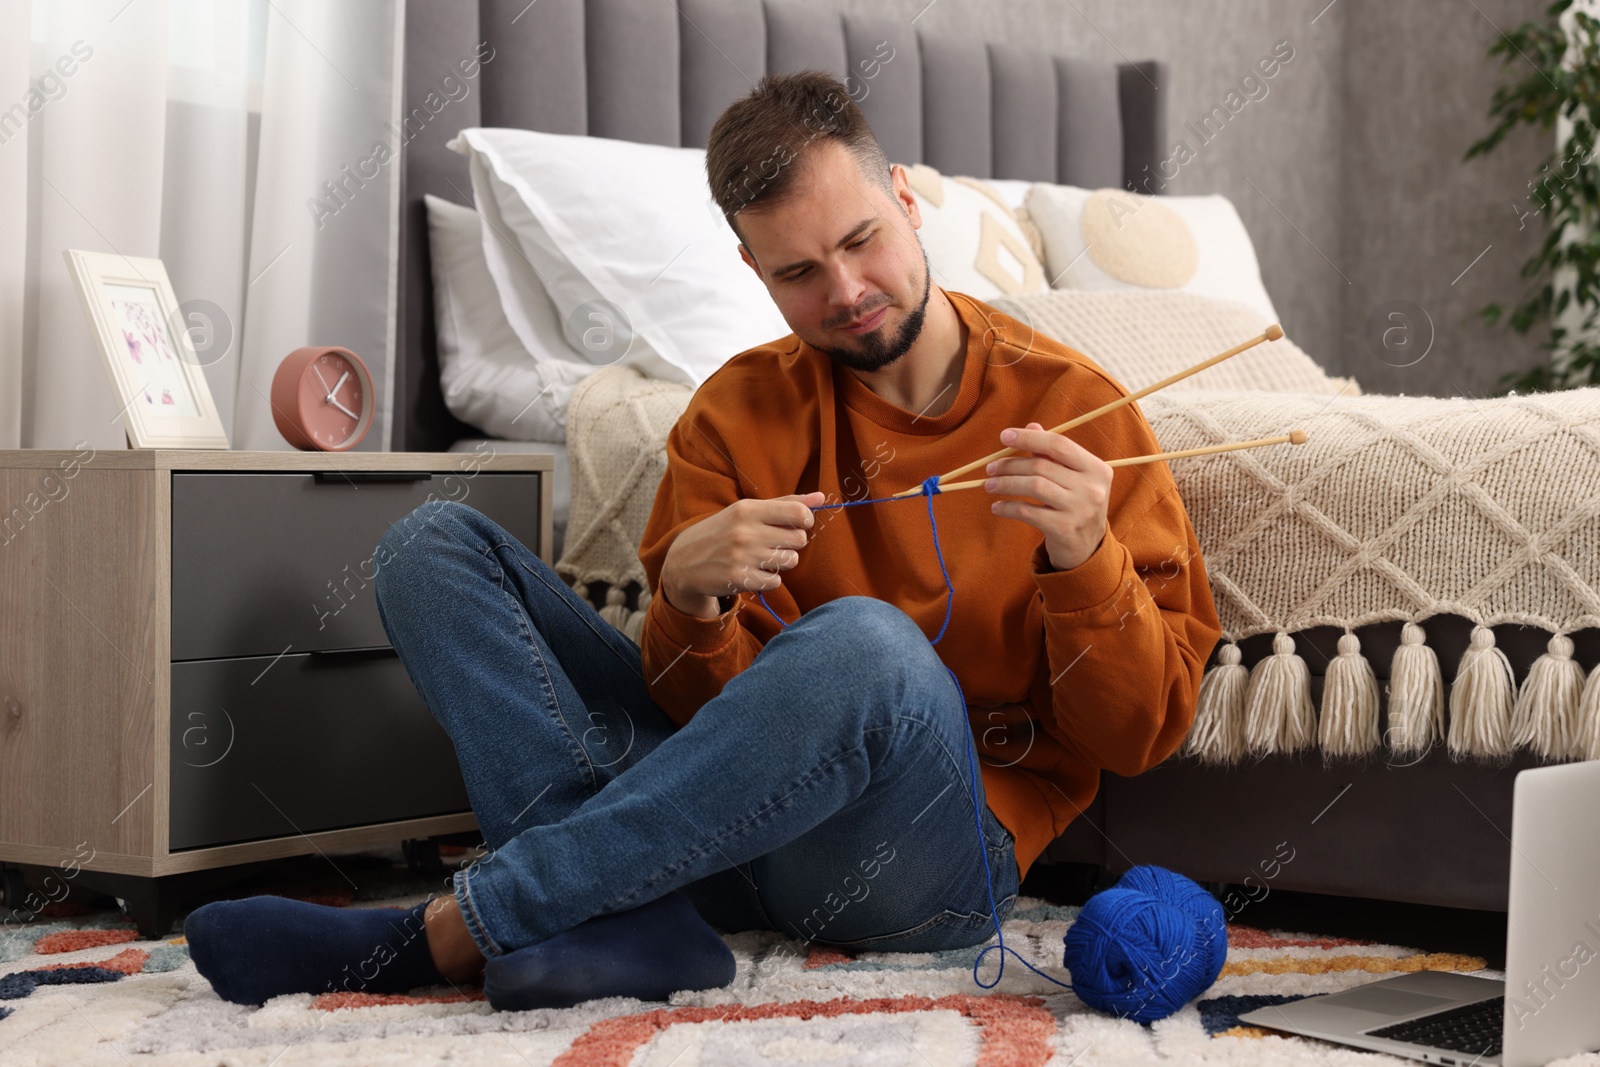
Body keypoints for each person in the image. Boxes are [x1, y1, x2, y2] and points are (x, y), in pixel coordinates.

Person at [182, 69, 1223, 1011]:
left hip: (916, 860)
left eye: (862, 240)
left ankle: (468, 925)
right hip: (725, 830)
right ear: (753, 269)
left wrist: (1085, 563)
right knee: (429, 544)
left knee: (861, 645)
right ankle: (627, 920)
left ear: (906, 200)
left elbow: (1139, 737)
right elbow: (701, 720)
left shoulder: (1077, 412)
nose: (846, 292)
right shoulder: (731, 412)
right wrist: (686, 601)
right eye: (798, 272)